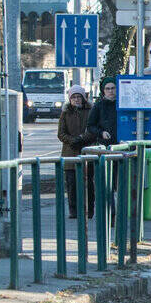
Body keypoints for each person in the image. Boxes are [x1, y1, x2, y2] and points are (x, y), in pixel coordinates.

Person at [57, 85, 95, 219]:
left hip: (87, 151)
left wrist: (82, 138)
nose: (77, 99)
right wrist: (72, 140)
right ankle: (73, 210)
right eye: (74, 97)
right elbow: (61, 133)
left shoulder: (90, 110)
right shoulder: (66, 112)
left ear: (83, 98)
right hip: (70, 152)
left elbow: (93, 129)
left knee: (89, 183)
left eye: (79, 97)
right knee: (71, 183)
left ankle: (89, 209)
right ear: (70, 99)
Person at [87, 79, 118, 145]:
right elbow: (90, 126)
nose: (110, 91)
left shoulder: (122, 105)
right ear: (103, 90)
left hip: (122, 143)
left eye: (113, 88)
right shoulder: (98, 106)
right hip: (105, 143)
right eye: (107, 89)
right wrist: (101, 133)